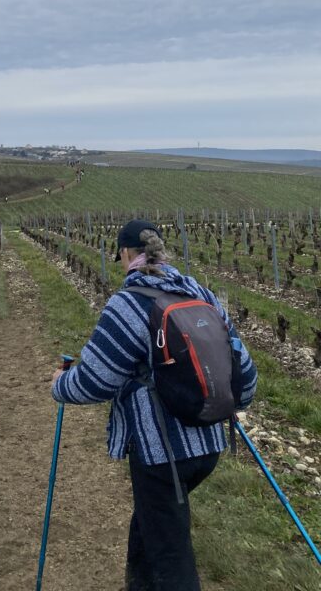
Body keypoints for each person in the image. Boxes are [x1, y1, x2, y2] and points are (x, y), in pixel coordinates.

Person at [50, 219, 257, 591]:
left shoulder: (128, 304)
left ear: (127, 254)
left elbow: (94, 381)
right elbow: (241, 365)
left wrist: (59, 385)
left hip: (161, 454)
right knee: (152, 523)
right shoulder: (203, 296)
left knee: (171, 556)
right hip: (209, 443)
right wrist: (236, 403)